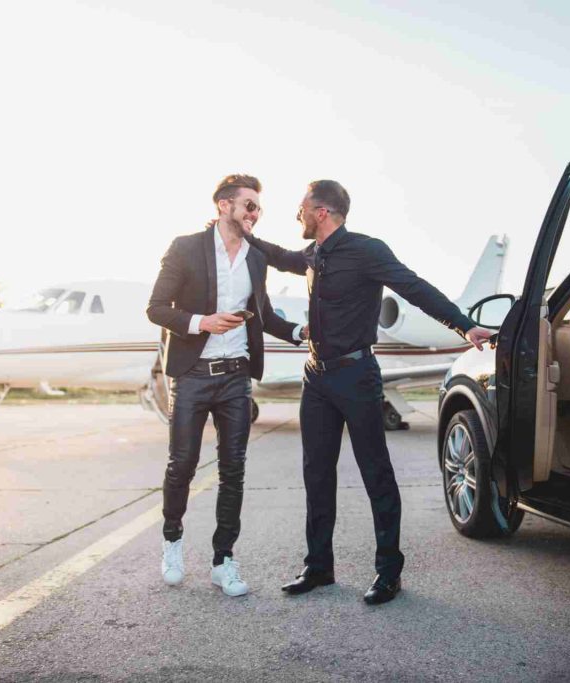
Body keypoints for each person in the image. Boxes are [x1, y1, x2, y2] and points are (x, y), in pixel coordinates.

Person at [242, 179, 490, 605]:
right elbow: (280, 257)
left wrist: (463, 323)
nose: (297, 214)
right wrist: (241, 232)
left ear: (322, 212)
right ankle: (318, 567)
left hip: (357, 376)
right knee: (316, 474)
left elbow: (414, 287)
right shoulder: (313, 255)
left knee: (376, 473)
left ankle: (388, 571)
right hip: (316, 378)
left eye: (302, 208)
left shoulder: (368, 250)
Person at [146, 174, 305, 597]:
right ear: (224, 205)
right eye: (249, 205)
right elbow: (157, 308)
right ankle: (173, 544)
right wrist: (203, 323)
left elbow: (265, 314)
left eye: (259, 208)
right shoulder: (185, 248)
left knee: (233, 472)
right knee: (182, 465)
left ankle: (223, 560)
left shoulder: (255, 257)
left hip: (236, 377)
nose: (255, 213)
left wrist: (300, 333)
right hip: (193, 375)